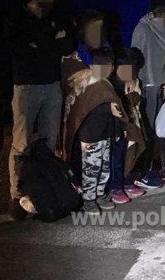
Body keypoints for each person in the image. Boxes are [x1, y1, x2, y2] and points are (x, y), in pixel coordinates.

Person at [5, 0, 75, 220]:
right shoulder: (17, 17)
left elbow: (67, 44)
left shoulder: (54, 16)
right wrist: (51, 42)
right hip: (26, 85)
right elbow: (19, 48)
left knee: (49, 141)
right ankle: (16, 195)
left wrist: (41, 44)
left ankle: (46, 190)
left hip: (52, 83)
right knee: (21, 142)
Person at [64, 54, 124, 214]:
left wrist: (116, 129)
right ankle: (88, 199)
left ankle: (100, 194)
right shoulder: (87, 84)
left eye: (109, 67)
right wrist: (108, 108)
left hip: (105, 133)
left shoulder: (106, 83)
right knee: (91, 168)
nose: (106, 71)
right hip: (90, 135)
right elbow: (85, 109)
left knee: (104, 167)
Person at [130, 0, 165, 189]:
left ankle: (150, 169)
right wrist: (133, 84)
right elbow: (133, 59)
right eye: (163, 16)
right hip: (144, 85)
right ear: (155, 13)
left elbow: (164, 59)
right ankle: (141, 171)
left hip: (158, 86)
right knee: (145, 129)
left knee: (155, 130)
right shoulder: (142, 29)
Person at [108, 48, 146, 201]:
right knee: (117, 157)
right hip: (118, 127)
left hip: (133, 124)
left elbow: (137, 102)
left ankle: (128, 181)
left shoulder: (134, 81)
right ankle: (116, 187)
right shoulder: (112, 84)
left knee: (131, 153)